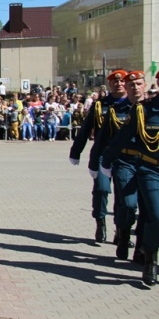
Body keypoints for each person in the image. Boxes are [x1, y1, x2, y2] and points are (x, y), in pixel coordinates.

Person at [101, 71, 159, 286]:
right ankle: (151, 258)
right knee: (155, 215)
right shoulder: (145, 111)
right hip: (151, 170)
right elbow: (121, 139)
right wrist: (105, 162)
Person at [90, 71, 146, 260]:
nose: (124, 85)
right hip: (120, 159)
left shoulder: (149, 107)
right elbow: (104, 137)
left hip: (147, 164)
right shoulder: (112, 108)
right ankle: (117, 230)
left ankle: (142, 248)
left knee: (148, 209)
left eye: (137, 84)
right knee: (117, 197)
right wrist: (95, 160)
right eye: (118, 82)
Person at [69, 70, 129, 242]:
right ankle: (100, 221)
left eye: (121, 81)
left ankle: (120, 229)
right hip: (103, 154)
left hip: (125, 156)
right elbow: (86, 129)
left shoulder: (134, 106)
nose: (119, 84)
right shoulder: (100, 105)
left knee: (123, 196)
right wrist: (75, 152)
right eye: (115, 82)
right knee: (102, 189)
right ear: (109, 85)